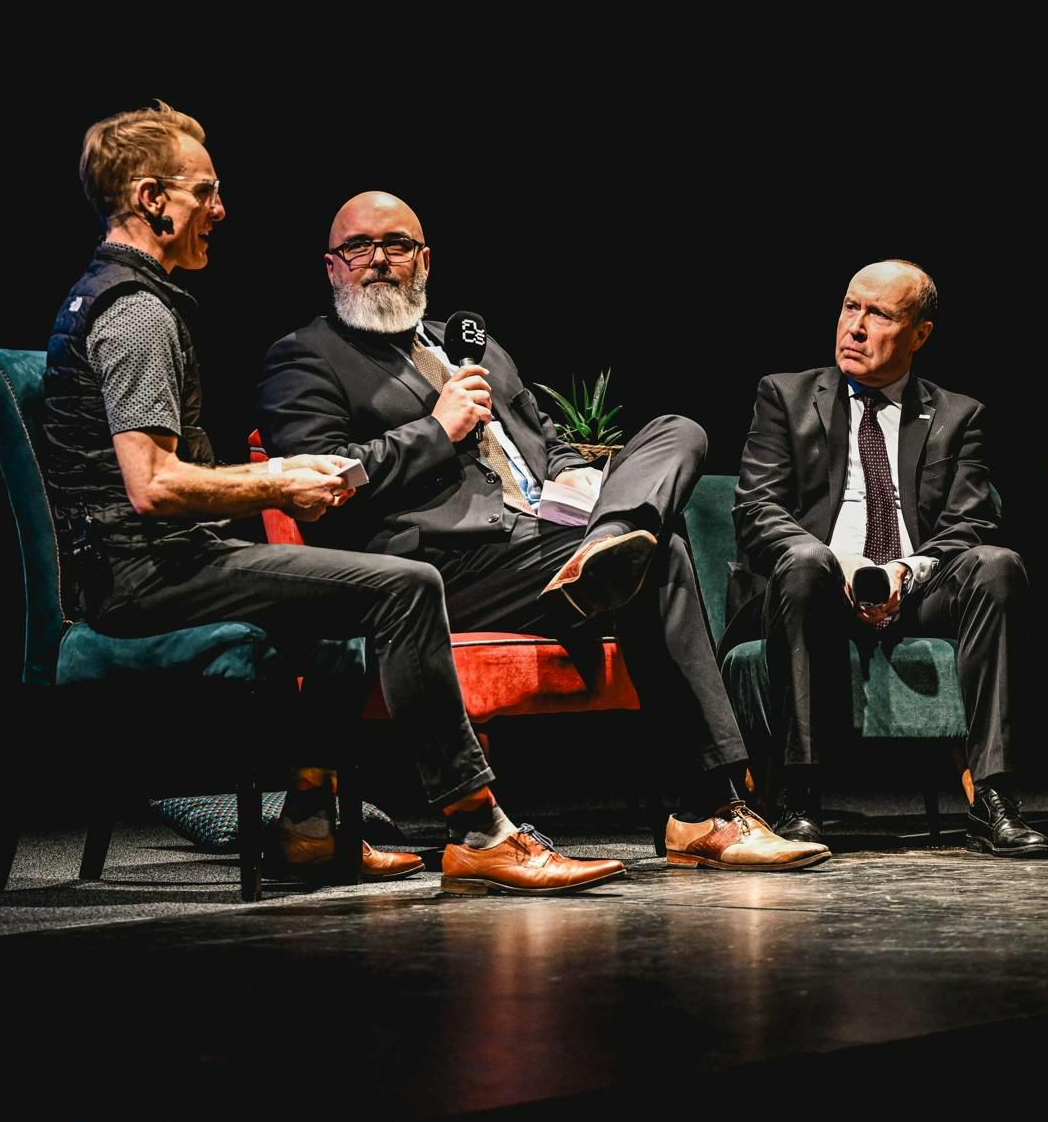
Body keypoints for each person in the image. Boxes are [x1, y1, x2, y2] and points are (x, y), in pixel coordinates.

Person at [42, 102, 623, 894]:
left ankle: (310, 825)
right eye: (204, 191)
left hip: (155, 560)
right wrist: (278, 479)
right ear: (151, 199)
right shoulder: (136, 313)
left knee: (343, 582)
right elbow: (154, 486)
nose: (220, 209)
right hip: (140, 576)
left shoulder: (119, 297)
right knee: (403, 584)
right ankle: (480, 829)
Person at [255, 191, 827, 872]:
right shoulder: (306, 357)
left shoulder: (475, 346)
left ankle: (608, 540)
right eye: (358, 247)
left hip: (544, 538)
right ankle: (706, 809)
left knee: (680, 430)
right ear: (331, 266)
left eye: (396, 244)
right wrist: (436, 429)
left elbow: (545, 439)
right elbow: (322, 484)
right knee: (663, 554)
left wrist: (574, 476)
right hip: (439, 565)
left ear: (424, 261)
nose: (378, 259)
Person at [726, 260, 1048, 858]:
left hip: (915, 590)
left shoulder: (958, 415)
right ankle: (799, 796)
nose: (855, 326)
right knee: (805, 563)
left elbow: (971, 522)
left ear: (919, 334)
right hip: (811, 591)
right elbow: (757, 509)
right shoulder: (785, 396)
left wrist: (905, 570)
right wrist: (841, 563)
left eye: (878, 314)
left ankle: (993, 796)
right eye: (850, 307)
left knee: (998, 565)